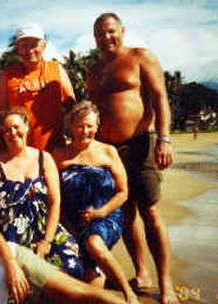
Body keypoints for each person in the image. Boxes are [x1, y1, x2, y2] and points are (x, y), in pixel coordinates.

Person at [86, 12, 178, 304]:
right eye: (100, 33)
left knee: (150, 212)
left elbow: (160, 97)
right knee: (125, 214)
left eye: (111, 31)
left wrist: (163, 138)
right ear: (95, 38)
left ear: (122, 31)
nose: (106, 37)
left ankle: (165, 283)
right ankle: (141, 273)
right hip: (108, 152)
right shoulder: (93, 71)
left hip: (140, 144)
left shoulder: (140, 57)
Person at [0, 108, 86, 281]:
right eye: (7, 130)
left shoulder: (44, 158)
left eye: (16, 127)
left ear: (26, 127)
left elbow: (55, 202)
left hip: (46, 231)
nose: (13, 133)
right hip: (11, 238)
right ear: (1, 135)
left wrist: (46, 242)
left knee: (72, 268)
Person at [53, 101, 138, 304]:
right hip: (72, 222)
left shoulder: (108, 152)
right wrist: (67, 226)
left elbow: (123, 193)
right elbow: (55, 198)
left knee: (94, 243)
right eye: (80, 125)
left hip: (107, 217)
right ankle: (97, 275)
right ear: (70, 126)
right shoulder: (58, 155)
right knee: (89, 279)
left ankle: (129, 294)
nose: (85, 131)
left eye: (90, 125)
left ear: (97, 125)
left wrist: (101, 212)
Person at [0, 23, 75, 151]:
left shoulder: (56, 69)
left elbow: (71, 106)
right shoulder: (7, 75)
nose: (29, 50)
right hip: (19, 151)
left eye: (34, 45)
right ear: (18, 48)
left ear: (43, 46)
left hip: (55, 149)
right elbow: (0, 115)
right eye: (24, 45)